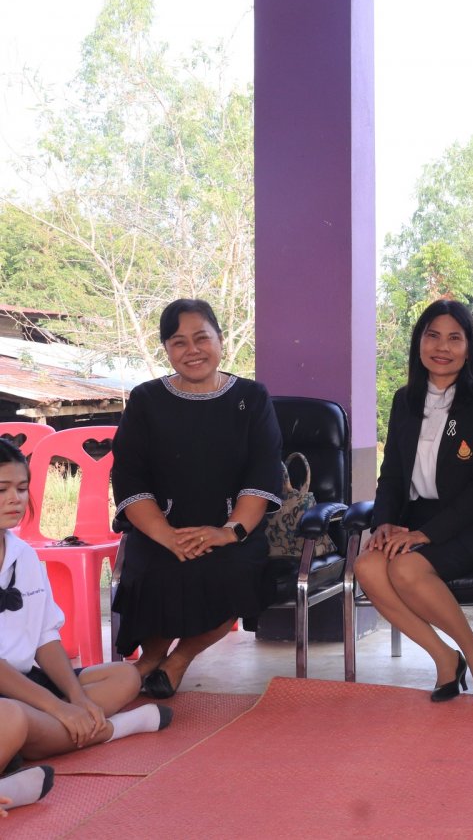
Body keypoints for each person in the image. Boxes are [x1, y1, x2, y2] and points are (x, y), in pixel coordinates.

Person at [112, 298, 284, 698]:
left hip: (231, 529)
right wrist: (167, 535)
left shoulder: (252, 397)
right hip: (162, 528)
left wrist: (228, 531)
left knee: (229, 573)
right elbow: (129, 477)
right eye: (178, 342)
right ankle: (151, 659)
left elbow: (262, 473)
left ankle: (178, 660)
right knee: (156, 569)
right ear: (166, 349)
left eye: (201, 338)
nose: (192, 350)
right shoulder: (146, 400)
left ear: (220, 340)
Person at [0, 439, 172, 816]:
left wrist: (76, 699)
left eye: (22, 488)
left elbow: (45, 638)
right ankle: (110, 730)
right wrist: (60, 709)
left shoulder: (22, 554)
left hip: (27, 683)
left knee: (125, 677)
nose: (15, 498)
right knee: (10, 717)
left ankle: (27, 751)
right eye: (2, 489)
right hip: (8, 698)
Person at [354, 300, 473, 701]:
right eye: (433, 336)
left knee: (405, 568)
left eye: (454, 338)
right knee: (367, 567)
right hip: (418, 518)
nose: (442, 347)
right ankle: (445, 658)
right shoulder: (404, 400)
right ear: (419, 343)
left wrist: (425, 535)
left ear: (469, 347)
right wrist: (384, 523)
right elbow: (392, 474)